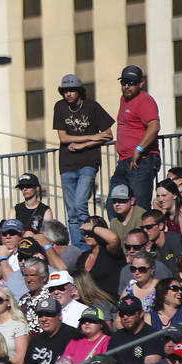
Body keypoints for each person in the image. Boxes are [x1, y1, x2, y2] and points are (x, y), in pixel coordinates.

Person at [53, 73, 115, 247]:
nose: (69, 94)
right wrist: (94, 137)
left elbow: (108, 135)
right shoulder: (60, 107)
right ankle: (78, 247)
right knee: (71, 211)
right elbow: (64, 138)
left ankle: (87, 244)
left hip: (88, 162)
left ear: (79, 91)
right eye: (65, 91)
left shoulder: (92, 106)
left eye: (72, 90)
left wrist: (81, 145)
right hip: (66, 164)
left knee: (80, 204)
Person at [109, 65, 160, 215]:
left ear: (141, 84)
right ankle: (123, 238)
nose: (126, 86)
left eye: (131, 83)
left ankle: (142, 237)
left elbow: (154, 126)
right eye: (124, 82)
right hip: (124, 161)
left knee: (139, 208)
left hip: (141, 160)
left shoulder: (145, 100)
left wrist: (139, 149)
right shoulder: (123, 99)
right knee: (113, 206)